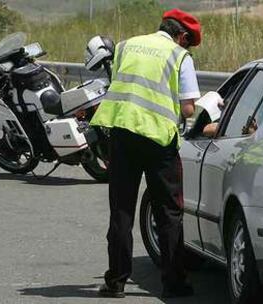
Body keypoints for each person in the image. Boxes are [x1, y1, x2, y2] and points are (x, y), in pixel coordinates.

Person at [89, 8, 202, 299]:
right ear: (182, 36)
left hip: (123, 135)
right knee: (169, 212)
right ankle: (174, 282)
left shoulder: (127, 46)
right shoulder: (179, 56)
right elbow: (188, 108)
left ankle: (115, 282)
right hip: (159, 142)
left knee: (121, 210)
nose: (187, 47)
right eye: (188, 42)